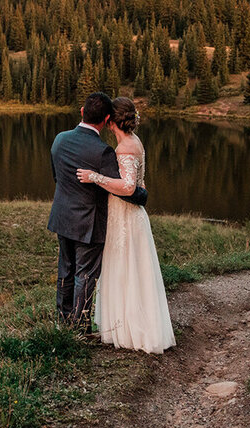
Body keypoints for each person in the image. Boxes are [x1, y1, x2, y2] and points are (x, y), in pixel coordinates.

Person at [76, 97, 174, 353]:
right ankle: (128, 325)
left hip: (126, 215)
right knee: (132, 270)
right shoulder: (134, 141)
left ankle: (131, 331)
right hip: (130, 214)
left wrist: (94, 177)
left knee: (126, 268)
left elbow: (129, 187)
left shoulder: (125, 148)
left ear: (112, 122)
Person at [47, 92, 148, 334]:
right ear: (105, 120)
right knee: (85, 274)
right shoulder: (103, 152)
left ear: (81, 111)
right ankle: (80, 328)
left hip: (63, 217)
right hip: (89, 223)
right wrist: (143, 195)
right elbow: (123, 189)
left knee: (66, 270)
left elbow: (56, 177)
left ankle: (63, 322)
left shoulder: (59, 139)